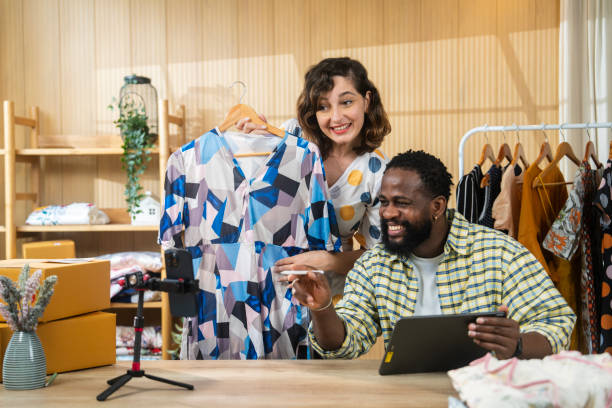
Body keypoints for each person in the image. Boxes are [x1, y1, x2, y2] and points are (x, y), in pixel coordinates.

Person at [285, 150, 576, 360]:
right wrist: (322, 308)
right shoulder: (374, 264)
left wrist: (518, 345)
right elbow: (345, 345)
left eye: (402, 203)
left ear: (437, 207)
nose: (387, 213)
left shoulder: (500, 253)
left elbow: (557, 324)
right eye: (384, 202)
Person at [237, 57, 392, 299]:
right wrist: (253, 148)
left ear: (367, 100)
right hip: (269, 284)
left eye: (346, 102)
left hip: (329, 295)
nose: (336, 117)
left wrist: (326, 259)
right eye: (323, 107)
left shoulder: (377, 171)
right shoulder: (292, 136)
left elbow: (379, 255)